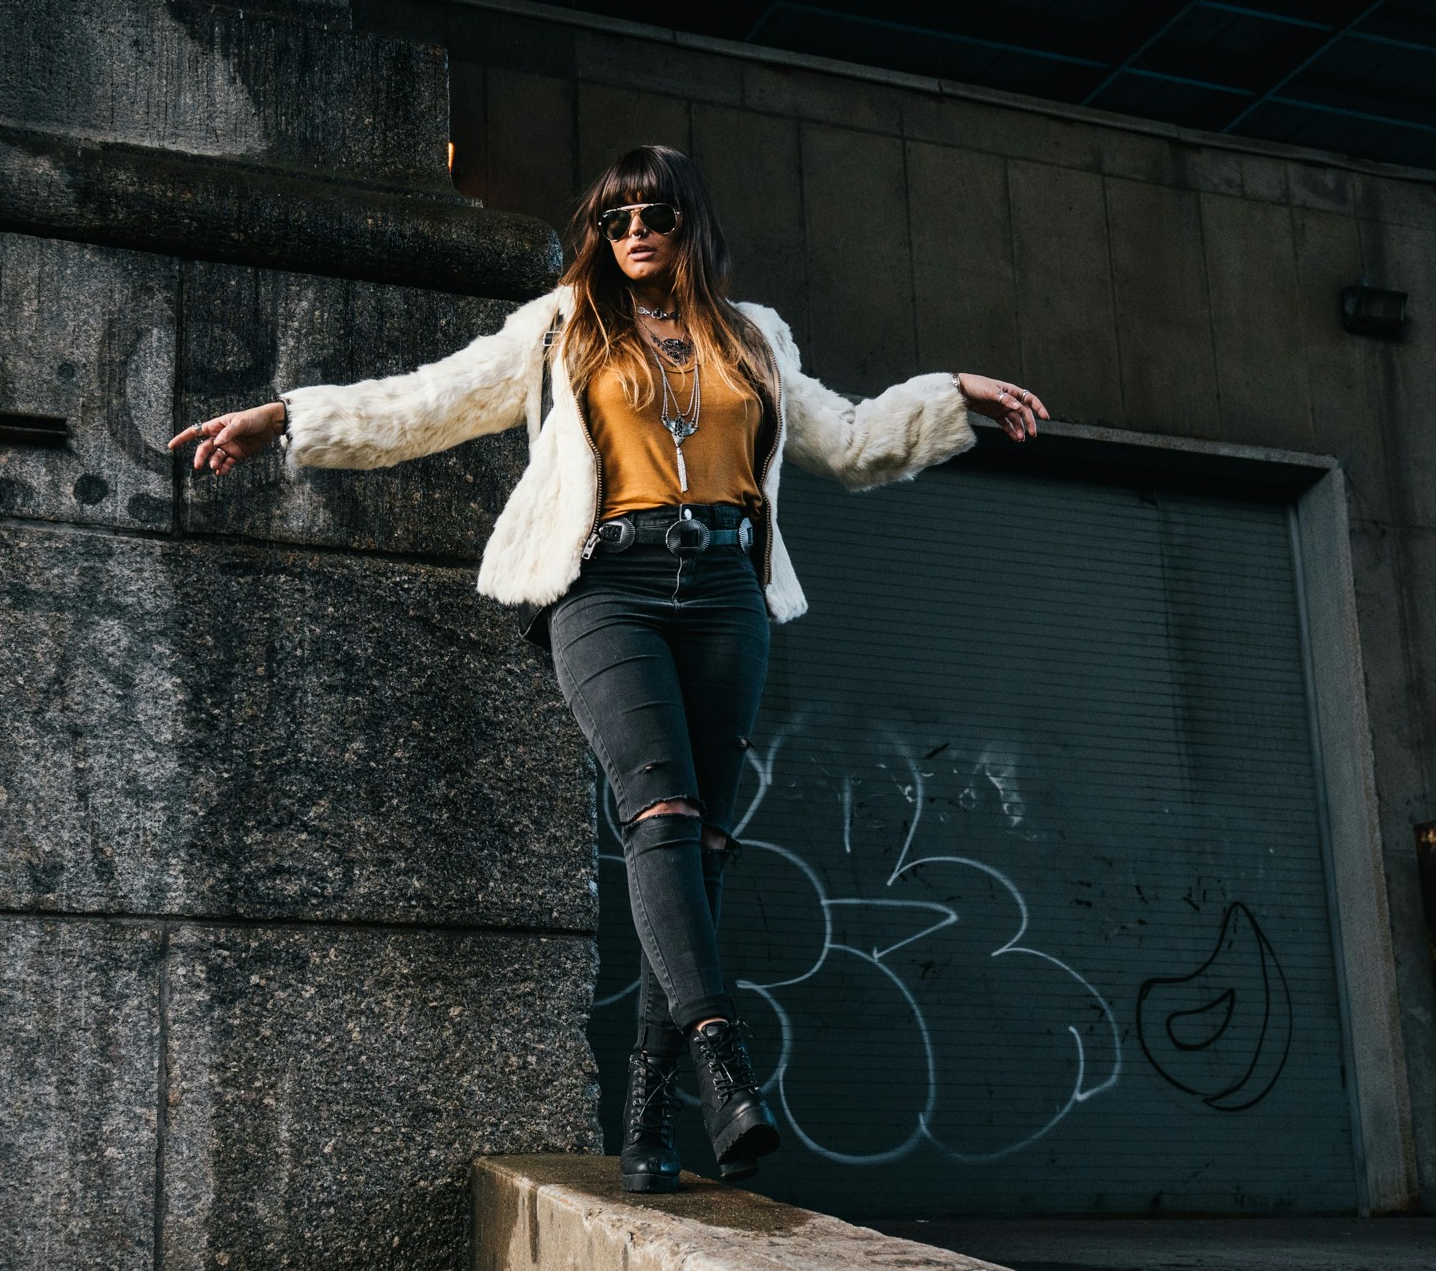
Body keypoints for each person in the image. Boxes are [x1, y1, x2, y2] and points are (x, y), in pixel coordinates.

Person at [167, 145, 1047, 1194]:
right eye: (613, 216)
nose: (633, 231)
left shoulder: (753, 336)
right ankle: (722, 1058)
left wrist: (948, 394)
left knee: (699, 854)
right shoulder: (557, 328)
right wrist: (284, 419)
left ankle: (644, 1110)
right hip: (603, 587)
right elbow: (427, 401)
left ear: (689, 228)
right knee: (660, 819)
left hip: (725, 593)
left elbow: (849, 441)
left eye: (655, 215)